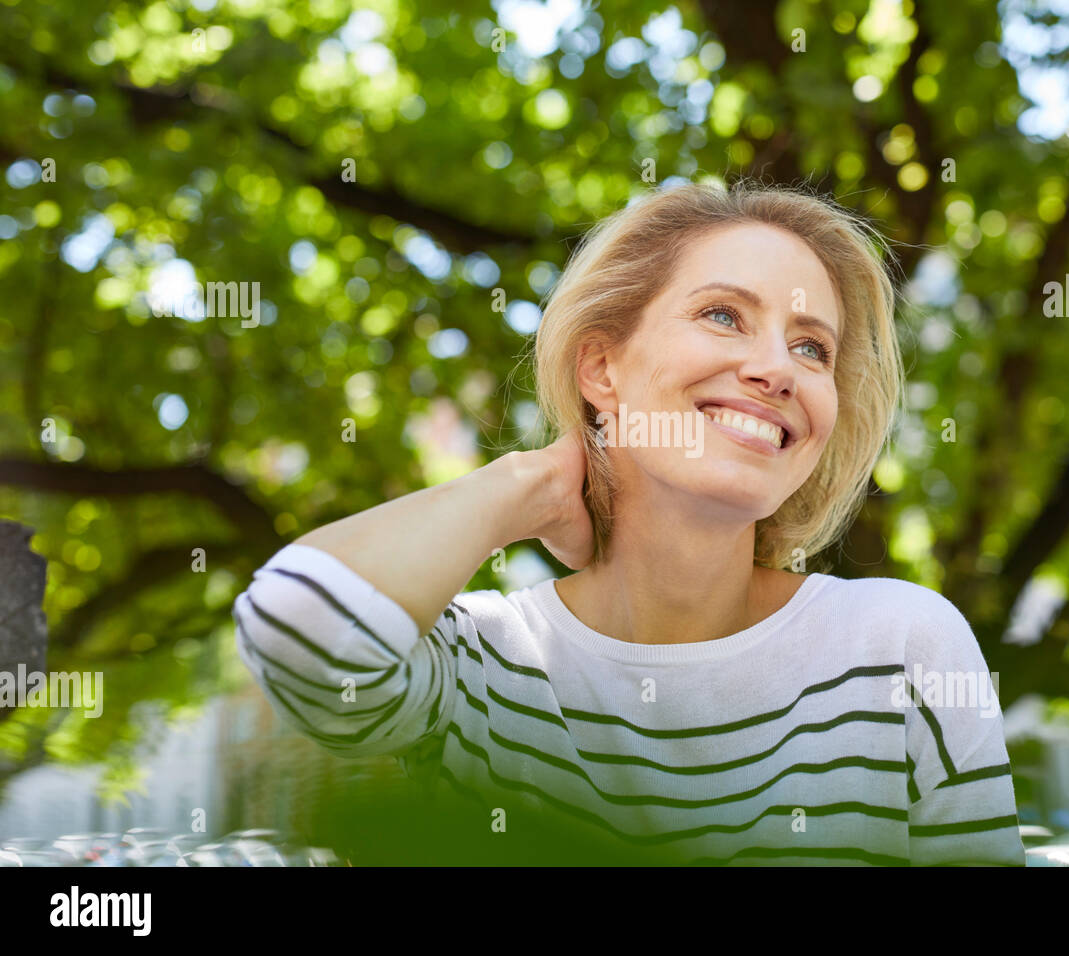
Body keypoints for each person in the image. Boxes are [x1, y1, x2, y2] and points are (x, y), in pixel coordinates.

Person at [232, 179, 1026, 866]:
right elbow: (293, 629)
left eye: (812, 348)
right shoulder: (485, 663)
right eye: (723, 315)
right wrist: (529, 482)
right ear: (601, 368)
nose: (778, 370)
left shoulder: (899, 647)